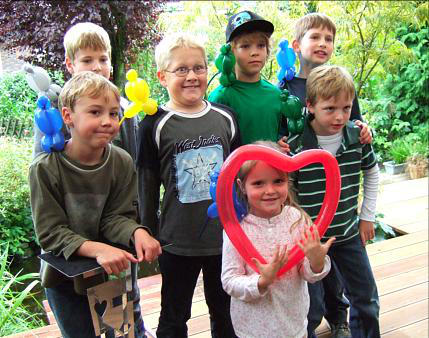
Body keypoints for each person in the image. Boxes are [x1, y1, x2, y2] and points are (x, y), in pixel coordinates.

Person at [29, 71, 161, 338]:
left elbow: (115, 217)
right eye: (95, 112)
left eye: (113, 113)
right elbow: (50, 232)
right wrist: (98, 249)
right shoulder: (45, 169)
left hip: (111, 276)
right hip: (65, 282)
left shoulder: (122, 162)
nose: (107, 121)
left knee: (124, 334)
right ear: (68, 116)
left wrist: (137, 232)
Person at [136, 33, 240, 338]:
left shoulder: (226, 118)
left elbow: (239, 176)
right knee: (174, 314)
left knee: (226, 313)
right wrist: (147, 230)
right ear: (162, 76)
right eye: (181, 69)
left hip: (224, 238)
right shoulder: (153, 124)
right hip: (176, 241)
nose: (192, 76)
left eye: (199, 68)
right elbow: (146, 182)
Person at [278, 13, 372, 337]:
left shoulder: (339, 81)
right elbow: (284, 141)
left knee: (340, 285)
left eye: (328, 38)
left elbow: (354, 124)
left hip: (343, 215)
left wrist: (363, 130)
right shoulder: (286, 86)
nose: (322, 44)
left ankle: (340, 318)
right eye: (315, 37)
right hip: (310, 217)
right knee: (311, 293)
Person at [288, 65, 380, 338]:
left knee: (366, 299)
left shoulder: (357, 137)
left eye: (346, 107)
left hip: (349, 233)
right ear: (310, 105)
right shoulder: (295, 143)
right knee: (310, 308)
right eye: (330, 108)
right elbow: (288, 189)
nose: (340, 116)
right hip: (309, 240)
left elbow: (372, 173)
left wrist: (367, 217)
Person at [221, 140, 333, 338]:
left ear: (287, 180)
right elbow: (229, 281)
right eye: (258, 183)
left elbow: (307, 273)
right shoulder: (237, 228)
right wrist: (261, 282)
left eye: (278, 181)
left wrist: (316, 262)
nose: (270, 190)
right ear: (242, 186)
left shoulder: (296, 219)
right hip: (252, 330)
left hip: (294, 325)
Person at [33, 22, 139, 162]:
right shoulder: (52, 111)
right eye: (87, 60)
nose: (97, 67)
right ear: (70, 64)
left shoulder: (125, 110)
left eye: (103, 59)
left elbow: (135, 164)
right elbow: (41, 162)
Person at [209, 10, 287, 145]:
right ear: (230, 52)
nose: (254, 52)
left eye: (261, 45)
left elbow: (281, 133)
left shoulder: (276, 94)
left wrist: (281, 142)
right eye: (245, 46)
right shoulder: (221, 97)